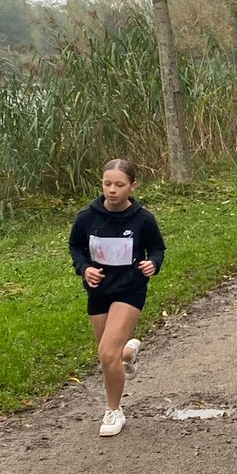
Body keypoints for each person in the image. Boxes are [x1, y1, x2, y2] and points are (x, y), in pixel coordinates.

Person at [69, 158, 166, 437]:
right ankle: (129, 352)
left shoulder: (143, 219)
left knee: (106, 354)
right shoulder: (87, 217)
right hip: (99, 291)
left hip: (130, 289)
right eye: (107, 183)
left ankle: (114, 411)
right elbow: (76, 246)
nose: (112, 190)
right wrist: (85, 268)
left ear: (132, 186)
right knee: (109, 353)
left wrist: (153, 264)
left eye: (119, 185)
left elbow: (157, 248)